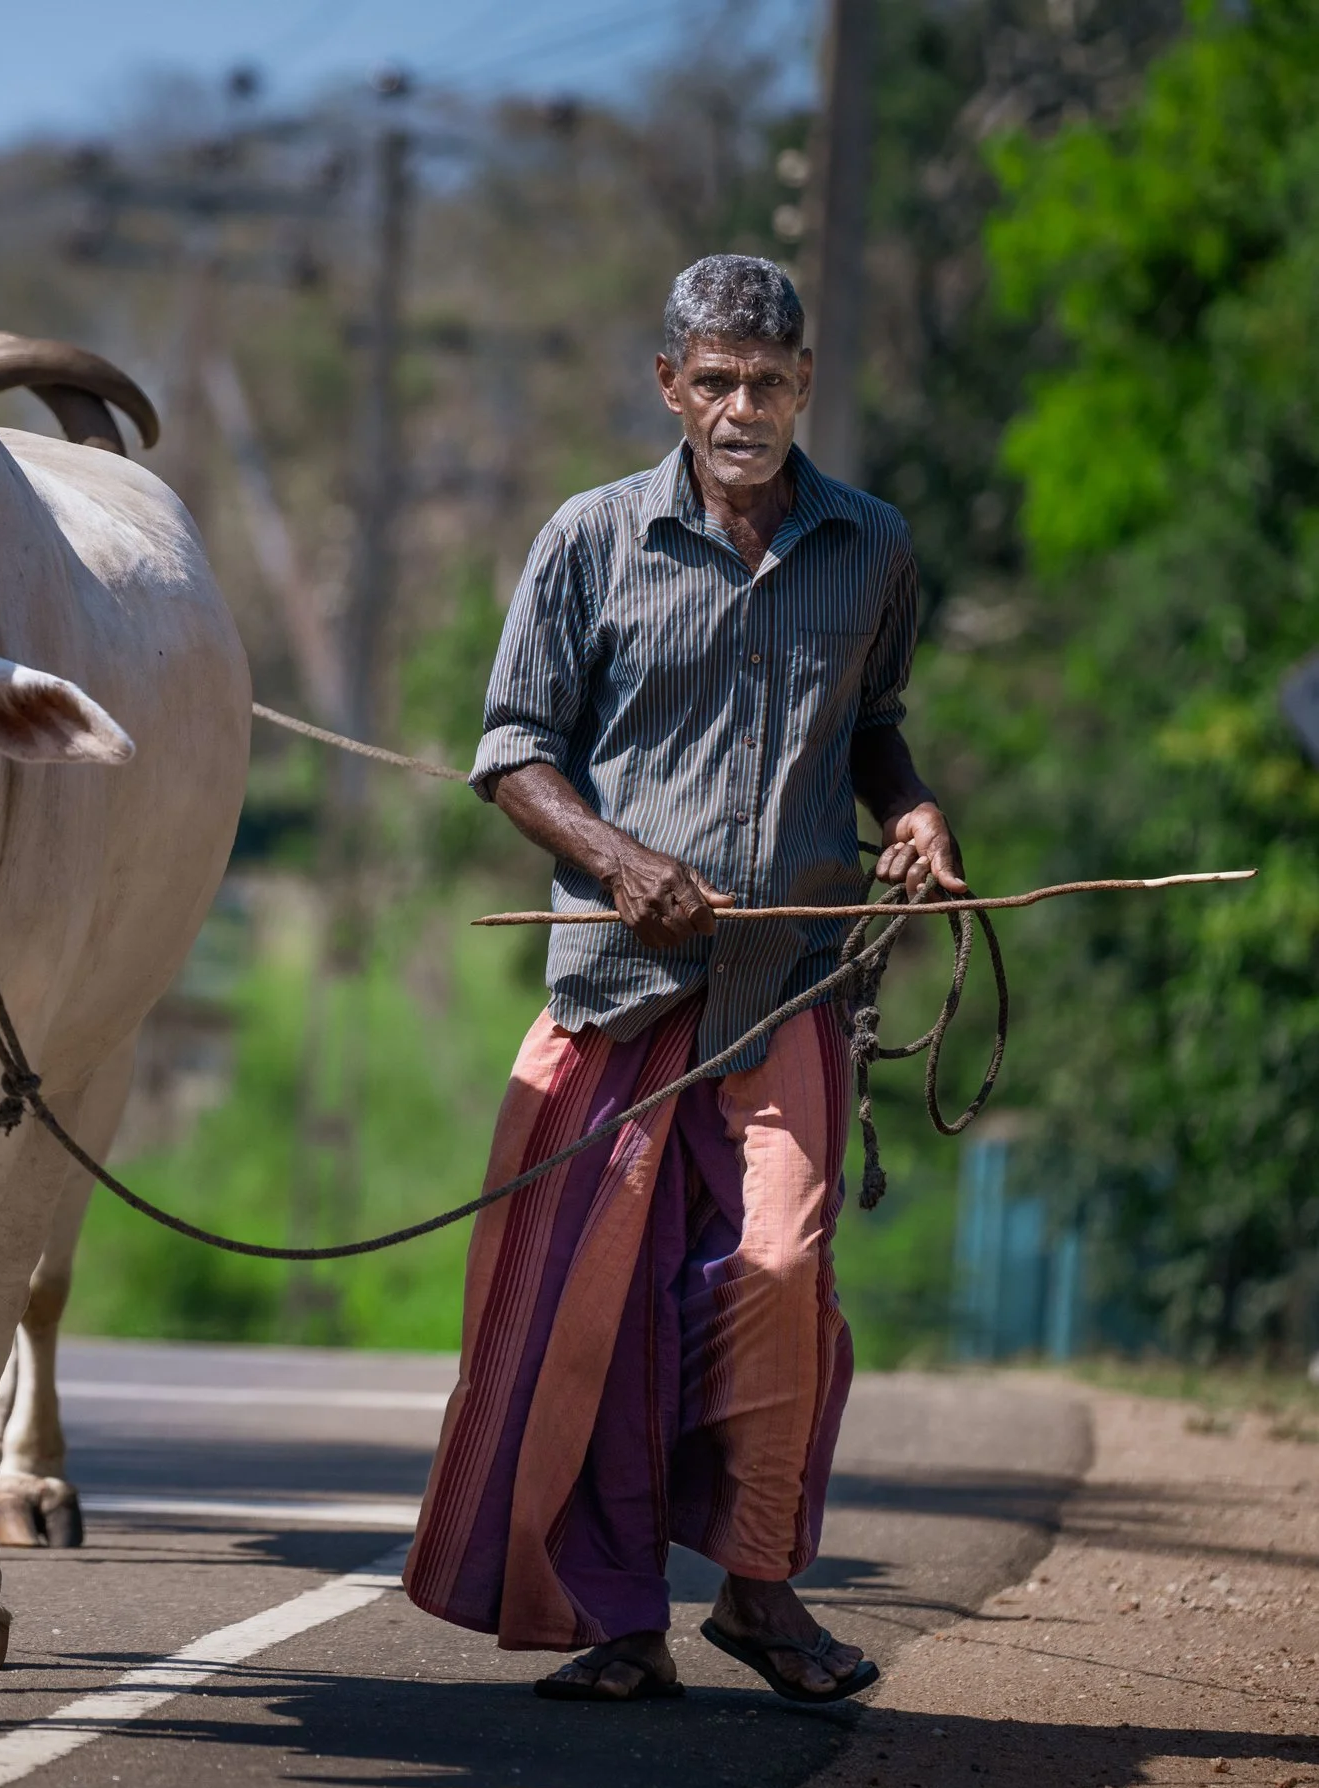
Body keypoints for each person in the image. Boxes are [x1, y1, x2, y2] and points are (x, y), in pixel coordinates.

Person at [402, 254, 965, 1703]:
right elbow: (513, 753)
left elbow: (876, 724)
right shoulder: (589, 539)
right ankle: (618, 1623)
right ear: (671, 385)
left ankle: (762, 1595)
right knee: (602, 1306)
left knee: (779, 1272)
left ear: (805, 388)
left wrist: (910, 811)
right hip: (618, 988)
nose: (743, 409)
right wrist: (620, 861)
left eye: (770, 383)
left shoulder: (874, 545)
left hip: (787, 983)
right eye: (715, 380)